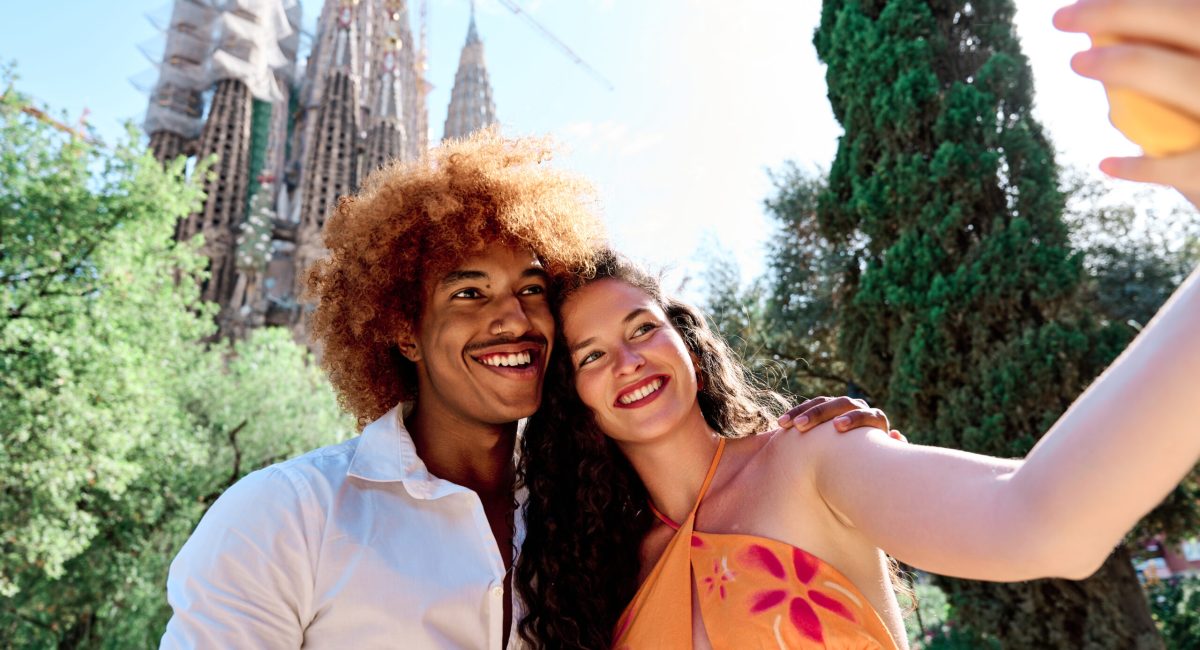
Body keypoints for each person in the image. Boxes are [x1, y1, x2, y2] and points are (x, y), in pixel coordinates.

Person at [514, 2, 1200, 647]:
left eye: (640, 328)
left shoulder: (814, 456)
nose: (629, 360)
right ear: (573, 399)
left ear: (685, 339)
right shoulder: (595, 578)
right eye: (591, 356)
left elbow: (1042, 522)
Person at [159, 132, 896, 649]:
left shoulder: (590, 519)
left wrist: (816, 453)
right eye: (469, 293)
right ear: (402, 330)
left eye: (530, 289)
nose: (511, 318)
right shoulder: (287, 516)